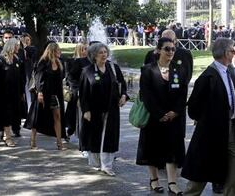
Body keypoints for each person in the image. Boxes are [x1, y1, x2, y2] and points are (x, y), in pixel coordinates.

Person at [181, 38, 235, 196]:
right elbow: (193, 108)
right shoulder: (208, 77)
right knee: (200, 175)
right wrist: (208, 119)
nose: (234, 53)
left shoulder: (231, 72)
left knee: (234, 171)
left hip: (231, 129)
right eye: (233, 51)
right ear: (226, 53)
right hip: (211, 133)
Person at [136, 37, 187, 195]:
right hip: (154, 117)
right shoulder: (148, 70)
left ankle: (172, 183)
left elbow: (183, 94)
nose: (171, 52)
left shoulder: (178, 69)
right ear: (158, 50)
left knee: (172, 149)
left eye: (173, 49)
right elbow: (146, 95)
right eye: (167, 49)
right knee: (152, 148)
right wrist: (159, 114)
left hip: (173, 118)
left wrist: (175, 112)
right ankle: (154, 180)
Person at [79, 42, 128, 176]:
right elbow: (83, 93)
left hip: (112, 109)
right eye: (100, 52)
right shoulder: (87, 71)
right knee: (95, 136)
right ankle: (96, 162)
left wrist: (124, 95)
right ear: (94, 55)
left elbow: (122, 84)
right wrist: (86, 110)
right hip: (94, 110)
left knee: (109, 136)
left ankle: (107, 165)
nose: (104, 55)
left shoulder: (113, 68)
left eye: (105, 52)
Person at [24, 42, 67, 150]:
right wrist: (40, 92)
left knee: (57, 116)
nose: (60, 52)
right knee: (37, 117)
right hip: (43, 93)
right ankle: (33, 140)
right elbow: (39, 78)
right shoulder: (43, 62)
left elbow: (61, 77)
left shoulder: (59, 62)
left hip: (55, 95)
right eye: (58, 50)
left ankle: (59, 142)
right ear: (52, 51)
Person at [0, 38, 25, 147]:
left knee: (13, 114)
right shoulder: (0, 59)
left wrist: (22, 92)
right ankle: (8, 137)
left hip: (15, 92)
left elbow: (21, 78)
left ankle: (7, 134)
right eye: (17, 45)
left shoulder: (17, 59)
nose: (18, 48)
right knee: (6, 113)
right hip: (3, 92)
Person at [65, 42, 88, 141]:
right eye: (83, 49)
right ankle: (69, 131)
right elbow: (69, 77)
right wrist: (76, 88)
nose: (86, 51)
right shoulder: (73, 61)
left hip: (85, 91)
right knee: (73, 113)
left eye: (86, 49)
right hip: (76, 91)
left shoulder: (89, 61)